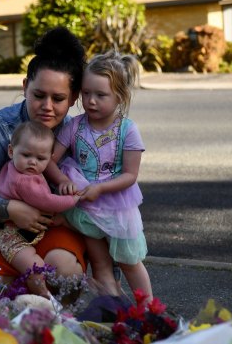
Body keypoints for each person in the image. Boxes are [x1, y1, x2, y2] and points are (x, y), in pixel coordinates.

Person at [0, 26, 87, 287]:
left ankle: (56, 321)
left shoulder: (75, 135)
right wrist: (8, 208)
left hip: (45, 230)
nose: (47, 106)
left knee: (67, 274)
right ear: (25, 87)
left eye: (58, 98)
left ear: (73, 99)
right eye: (38, 95)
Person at [46, 50, 153, 301]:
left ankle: (148, 309)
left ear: (120, 96)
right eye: (86, 93)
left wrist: (101, 189)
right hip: (86, 207)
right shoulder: (75, 126)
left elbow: (130, 175)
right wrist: (63, 181)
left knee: (129, 262)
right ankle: (112, 306)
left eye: (100, 95)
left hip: (117, 208)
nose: (91, 101)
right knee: (100, 263)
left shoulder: (128, 130)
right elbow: (51, 160)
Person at [0, 121, 80, 298]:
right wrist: (73, 199)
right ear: (11, 151)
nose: (32, 162)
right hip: (13, 237)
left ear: (49, 160)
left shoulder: (12, 167)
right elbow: (47, 202)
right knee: (35, 268)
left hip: (22, 227)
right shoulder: (24, 181)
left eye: (41, 159)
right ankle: (43, 296)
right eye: (26, 155)